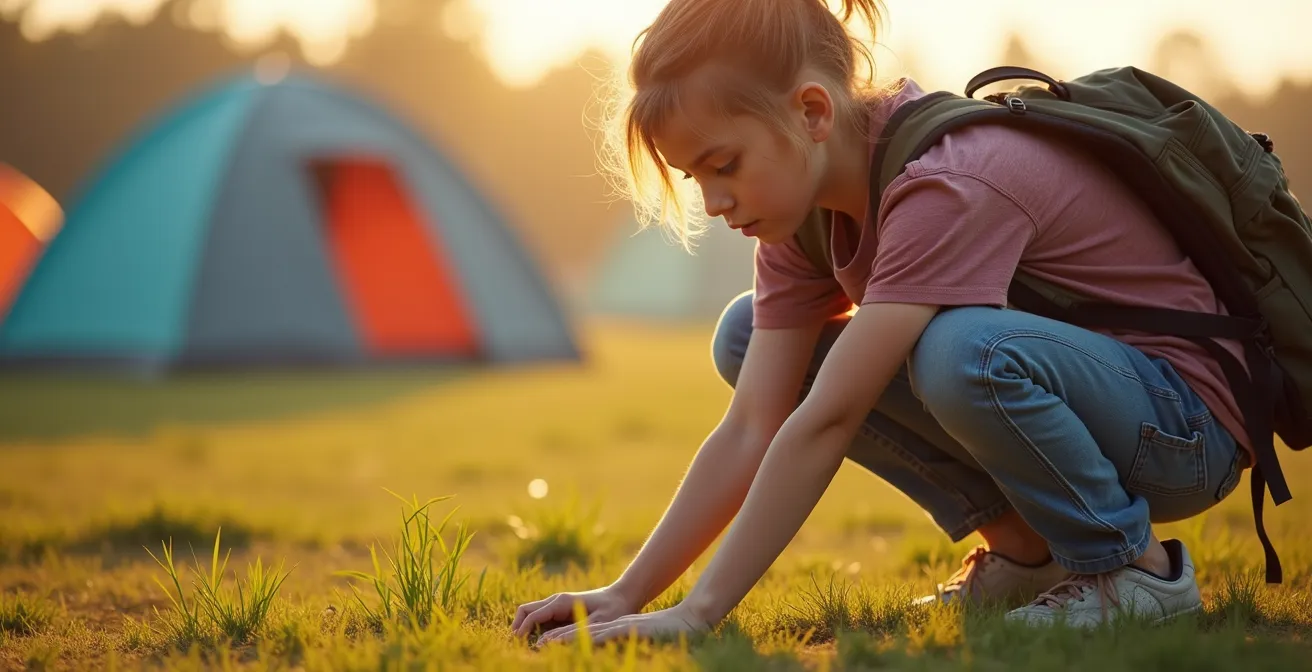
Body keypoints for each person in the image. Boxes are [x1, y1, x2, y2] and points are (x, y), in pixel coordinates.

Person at [513, 0, 1250, 643]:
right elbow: (752, 426)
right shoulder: (803, 221)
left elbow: (829, 418)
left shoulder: (947, 182)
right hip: (1091, 413)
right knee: (748, 337)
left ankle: (1135, 572)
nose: (712, 201)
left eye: (724, 164)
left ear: (810, 112)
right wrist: (625, 594)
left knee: (962, 354)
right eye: (694, 177)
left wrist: (701, 612)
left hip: (1183, 427)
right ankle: (1029, 554)